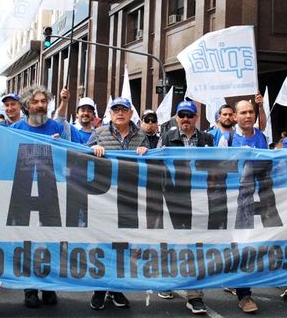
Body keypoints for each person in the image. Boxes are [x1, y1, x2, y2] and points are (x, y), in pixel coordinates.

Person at [87, 97, 148, 310]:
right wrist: (93, 150)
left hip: (128, 199)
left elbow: (150, 168)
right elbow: (82, 158)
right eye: (115, 109)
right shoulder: (99, 133)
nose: (119, 113)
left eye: (124, 109)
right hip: (104, 199)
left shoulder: (141, 136)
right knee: (102, 245)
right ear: (110, 114)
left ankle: (116, 290)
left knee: (123, 246)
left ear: (131, 113)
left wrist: (145, 153)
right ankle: (99, 290)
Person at [9, 85, 63, 308]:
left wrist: (61, 146)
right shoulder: (14, 129)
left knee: (50, 242)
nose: (40, 105)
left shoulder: (60, 127)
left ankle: (49, 286)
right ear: (26, 105)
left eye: (44, 101)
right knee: (27, 242)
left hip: (51, 192)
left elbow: (82, 151)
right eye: (35, 102)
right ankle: (29, 288)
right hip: (23, 192)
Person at [155, 101, 211, 314]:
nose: (185, 119)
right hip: (173, 196)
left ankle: (194, 294)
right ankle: (170, 280)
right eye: (182, 115)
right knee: (172, 242)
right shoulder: (167, 137)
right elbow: (157, 163)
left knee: (195, 245)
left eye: (189, 115)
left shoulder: (207, 139)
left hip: (198, 198)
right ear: (176, 117)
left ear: (196, 117)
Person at [225, 99, 267, 313]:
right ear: (235, 117)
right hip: (232, 201)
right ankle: (240, 290)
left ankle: (243, 291)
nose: (248, 116)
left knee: (247, 245)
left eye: (251, 112)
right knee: (233, 245)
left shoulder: (261, 137)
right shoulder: (227, 139)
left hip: (256, 200)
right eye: (243, 112)